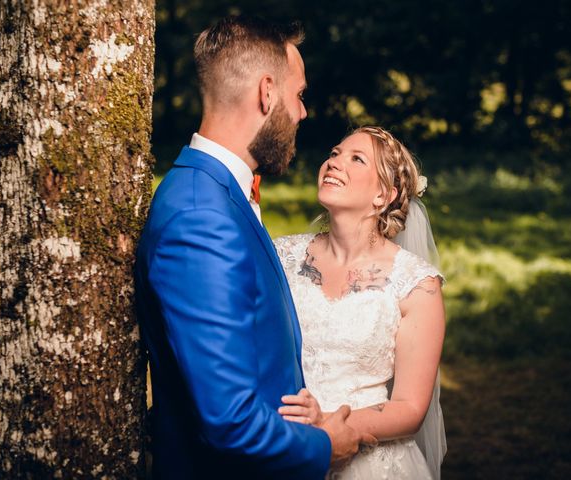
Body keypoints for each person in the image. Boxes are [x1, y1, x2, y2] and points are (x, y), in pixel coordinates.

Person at [134, 16, 372, 479]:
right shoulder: (200, 218)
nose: (302, 112)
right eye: (298, 95)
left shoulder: (217, 191)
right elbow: (230, 422)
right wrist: (324, 445)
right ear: (267, 92)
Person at [274, 126, 447, 479]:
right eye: (335, 153)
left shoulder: (417, 283)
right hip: (287, 445)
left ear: (384, 195)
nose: (334, 163)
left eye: (356, 159)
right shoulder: (281, 255)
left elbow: (411, 408)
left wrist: (328, 425)